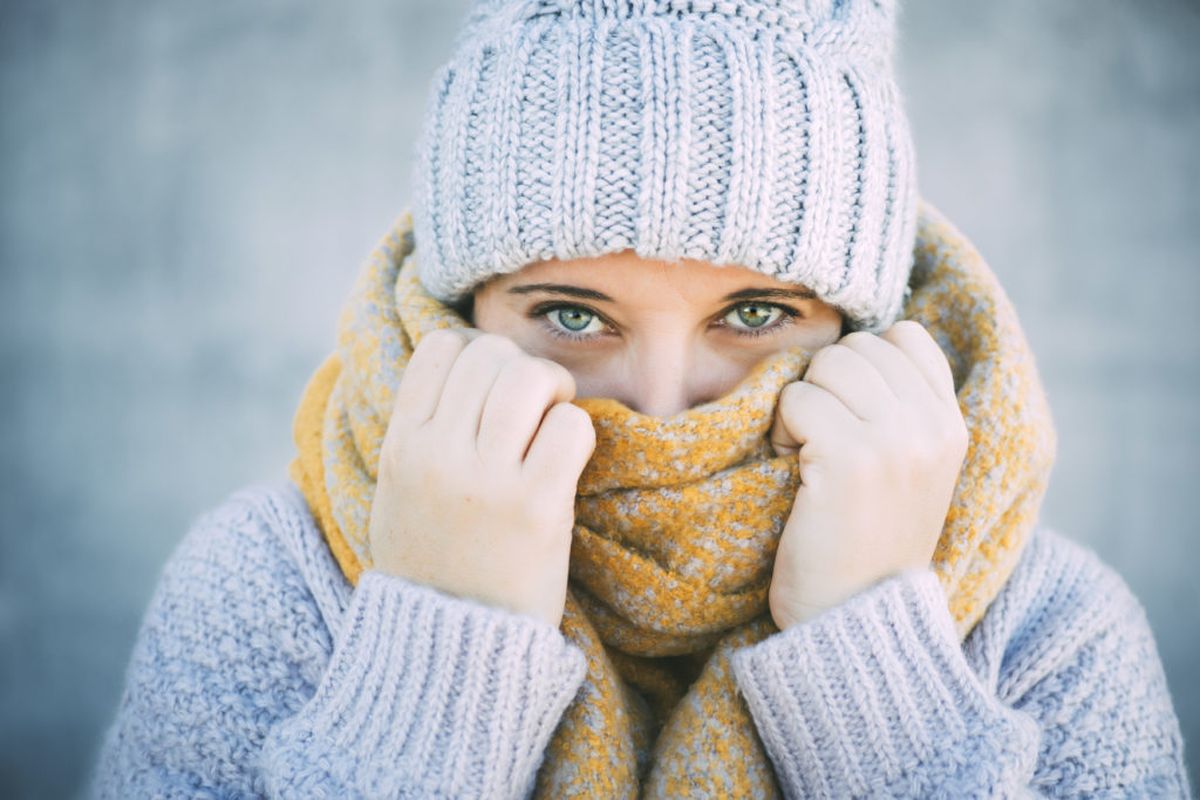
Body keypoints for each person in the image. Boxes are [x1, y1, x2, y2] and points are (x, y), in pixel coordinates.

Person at [88, 0, 1192, 797]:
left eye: (755, 314)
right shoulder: (274, 587)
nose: (662, 410)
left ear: (862, 330)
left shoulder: (1045, 631)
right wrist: (439, 653)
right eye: (572, 315)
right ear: (464, 311)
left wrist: (875, 658)